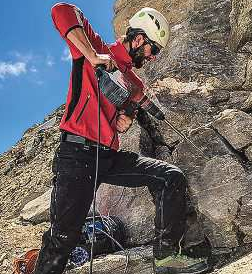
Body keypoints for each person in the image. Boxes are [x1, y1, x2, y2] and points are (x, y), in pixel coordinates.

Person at [33, 3, 209, 274]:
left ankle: (166, 258)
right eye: (154, 50)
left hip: (108, 157)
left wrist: (122, 119)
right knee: (62, 238)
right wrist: (91, 55)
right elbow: (62, 10)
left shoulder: (134, 83)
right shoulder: (94, 48)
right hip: (76, 154)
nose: (153, 58)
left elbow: (126, 112)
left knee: (170, 177)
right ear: (138, 39)